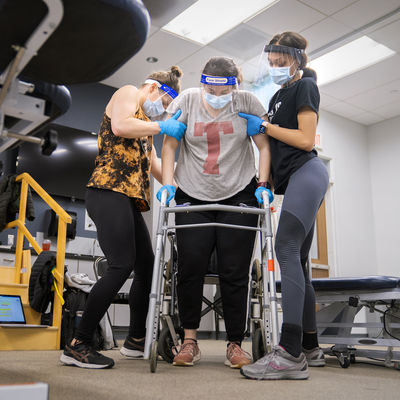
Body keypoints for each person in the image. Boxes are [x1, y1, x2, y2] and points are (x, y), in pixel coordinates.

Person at [60, 66, 187, 369]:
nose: (163, 112)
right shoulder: (129, 92)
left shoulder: (146, 126)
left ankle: (136, 340)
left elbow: (156, 166)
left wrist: (186, 189)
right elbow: (119, 126)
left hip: (128, 199)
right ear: (155, 89)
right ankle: (78, 344)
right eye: (166, 104)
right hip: (107, 191)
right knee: (121, 265)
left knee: (147, 266)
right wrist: (163, 127)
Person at [158, 57, 272, 369]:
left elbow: (263, 147)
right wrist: (169, 184)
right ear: (203, 81)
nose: (217, 96)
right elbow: (169, 147)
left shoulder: (247, 100)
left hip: (239, 191)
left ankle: (236, 343)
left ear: (236, 85)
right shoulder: (188, 100)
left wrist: (262, 184)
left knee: (234, 269)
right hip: (193, 191)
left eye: (225, 91)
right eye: (211, 88)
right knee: (191, 265)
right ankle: (190, 340)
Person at [238, 32, 329, 380]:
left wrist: (264, 126)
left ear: (297, 61)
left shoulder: (305, 86)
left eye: (281, 63)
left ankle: (289, 354)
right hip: (292, 179)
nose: (275, 68)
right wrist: (263, 183)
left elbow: (304, 140)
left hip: (309, 172)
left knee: (285, 248)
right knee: (300, 263)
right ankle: (309, 346)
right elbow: (275, 151)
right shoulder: (276, 96)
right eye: (271, 63)